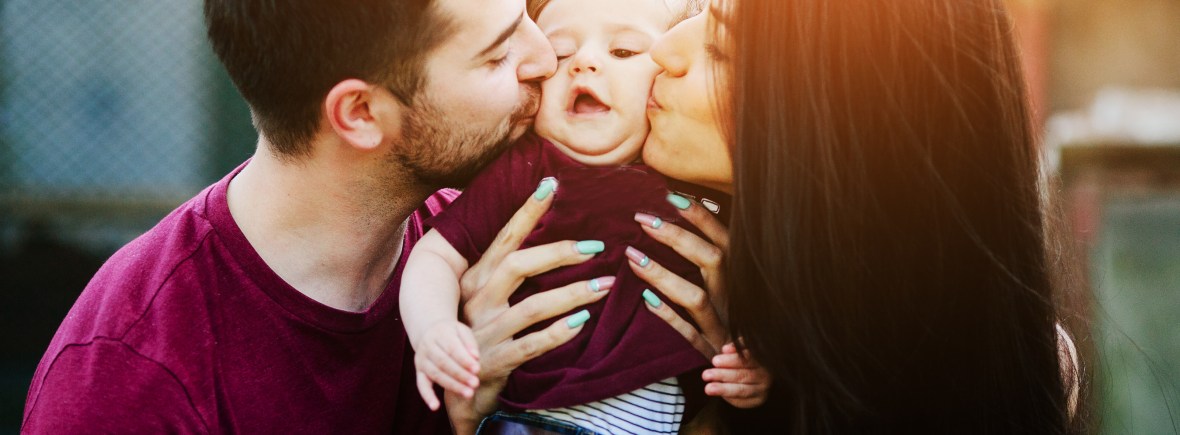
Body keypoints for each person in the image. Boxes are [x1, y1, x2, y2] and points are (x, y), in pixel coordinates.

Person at [22, 0, 606, 432]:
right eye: (498, 54)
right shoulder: (128, 383)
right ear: (360, 113)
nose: (545, 57)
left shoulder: (496, 252)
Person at [627, 0, 1076, 432]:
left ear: (847, 123)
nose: (662, 48)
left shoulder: (1011, 377)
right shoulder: (628, 262)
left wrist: (745, 409)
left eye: (719, 50)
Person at [400, 0, 768, 433]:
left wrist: (753, 368)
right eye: (560, 54)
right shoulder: (525, 169)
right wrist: (435, 328)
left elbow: (767, 309)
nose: (584, 63)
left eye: (624, 51)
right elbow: (436, 256)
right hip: (526, 421)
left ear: (660, 82)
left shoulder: (700, 184)